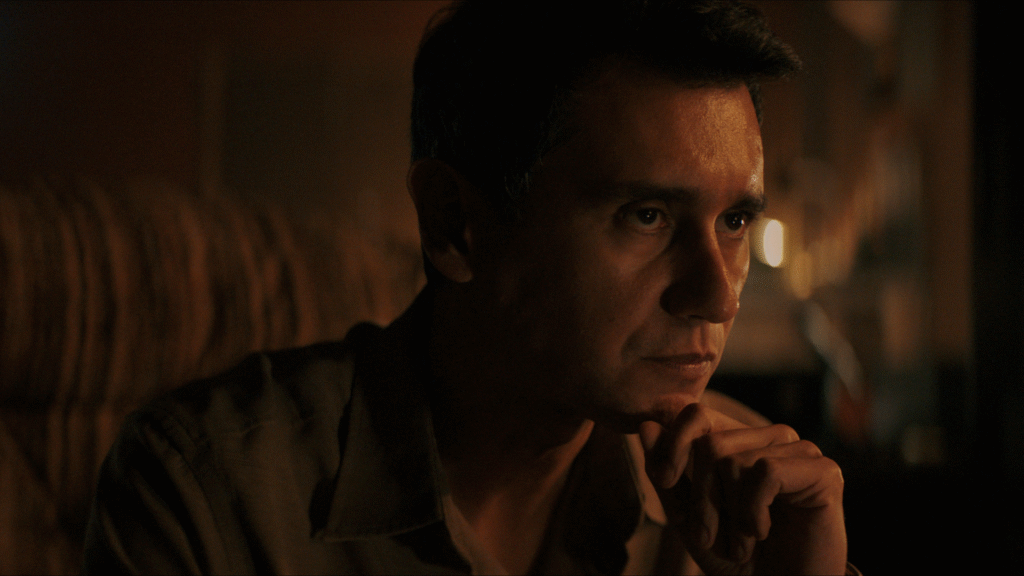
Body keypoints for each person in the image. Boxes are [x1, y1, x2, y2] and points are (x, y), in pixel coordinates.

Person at [85, 1, 854, 574]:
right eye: (646, 216)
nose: (718, 298)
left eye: (735, 221)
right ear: (454, 223)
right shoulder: (208, 497)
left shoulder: (744, 504)